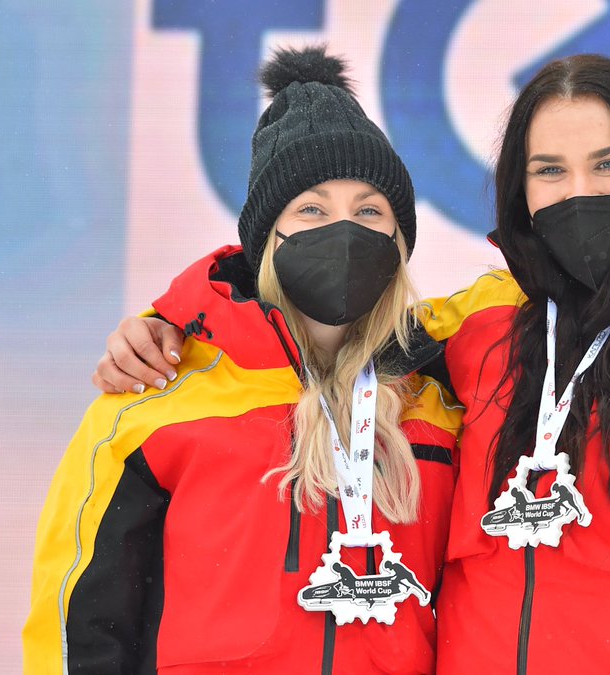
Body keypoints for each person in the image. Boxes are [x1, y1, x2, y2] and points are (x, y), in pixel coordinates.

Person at [95, 54, 610, 674]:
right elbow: (315, 327)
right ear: (517, 193)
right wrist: (174, 321)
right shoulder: (480, 324)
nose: (580, 192)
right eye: (549, 171)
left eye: (609, 164)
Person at [24, 47, 461, 674]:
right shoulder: (156, 398)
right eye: (311, 209)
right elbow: (80, 617)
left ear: (399, 239)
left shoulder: (443, 401)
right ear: (263, 240)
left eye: (370, 210)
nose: (344, 230)